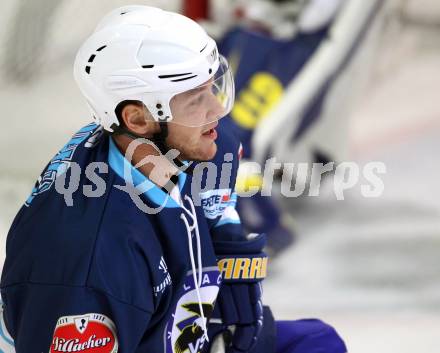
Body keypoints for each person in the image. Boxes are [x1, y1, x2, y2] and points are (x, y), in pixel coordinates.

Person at [0, 6, 346, 353]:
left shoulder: (193, 146)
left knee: (316, 343)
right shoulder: (90, 264)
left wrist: (227, 260)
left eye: (214, 87)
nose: (217, 110)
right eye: (196, 100)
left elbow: (219, 218)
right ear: (137, 119)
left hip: (173, 331)